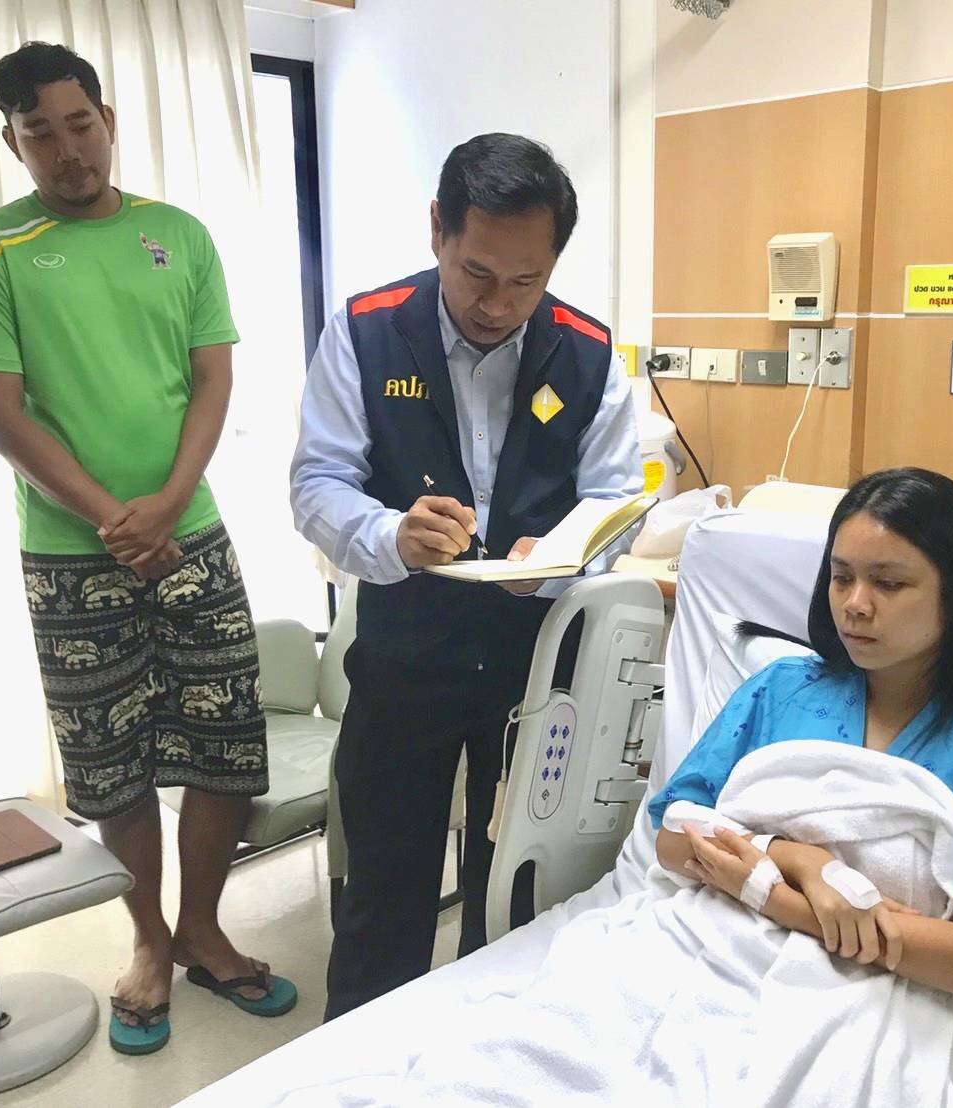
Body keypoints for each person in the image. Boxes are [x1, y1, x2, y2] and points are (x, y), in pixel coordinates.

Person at [0, 42, 294, 1056]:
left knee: (226, 746)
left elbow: (212, 379)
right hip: (71, 558)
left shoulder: (176, 235)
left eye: (80, 124)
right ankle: (148, 942)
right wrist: (115, 517)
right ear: (12, 141)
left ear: (108, 119)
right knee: (113, 765)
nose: (68, 150)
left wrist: (169, 502)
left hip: (193, 536)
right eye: (40, 134)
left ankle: (202, 929)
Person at [290, 133, 642, 1020]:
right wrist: (390, 534)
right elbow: (318, 482)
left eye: (527, 281)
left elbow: (615, 497)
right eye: (478, 273)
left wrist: (558, 560)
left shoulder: (587, 351)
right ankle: (365, 1069)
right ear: (437, 230)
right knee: (383, 898)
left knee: (516, 894)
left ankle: (489, 1055)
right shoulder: (367, 331)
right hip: (405, 662)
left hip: (537, 670)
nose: (499, 305)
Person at [652, 467, 953, 1002]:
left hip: (878, 1004)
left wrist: (779, 899)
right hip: (708, 957)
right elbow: (673, 839)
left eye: (888, 584)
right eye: (842, 577)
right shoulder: (781, 691)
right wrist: (800, 862)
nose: (855, 604)